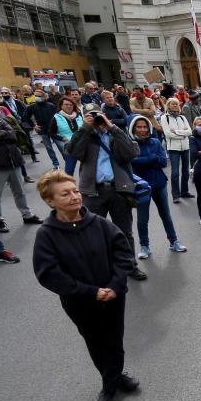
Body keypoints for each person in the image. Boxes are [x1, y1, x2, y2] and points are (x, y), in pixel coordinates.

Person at [32, 170, 138, 401]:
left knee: (114, 340)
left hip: (113, 297)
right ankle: (112, 382)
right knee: (96, 342)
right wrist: (91, 292)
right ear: (50, 201)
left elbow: (123, 254)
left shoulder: (100, 224)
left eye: (76, 191)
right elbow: (49, 274)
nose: (74, 197)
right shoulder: (46, 235)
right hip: (80, 303)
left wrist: (114, 285)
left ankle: (111, 382)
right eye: (65, 194)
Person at [65, 103, 146, 280]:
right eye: (90, 115)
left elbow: (131, 152)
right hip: (93, 192)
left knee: (125, 232)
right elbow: (73, 152)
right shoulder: (85, 136)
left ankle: (129, 265)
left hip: (119, 190)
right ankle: (101, 269)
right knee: (93, 233)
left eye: (98, 115)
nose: (96, 119)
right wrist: (85, 129)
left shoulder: (114, 134)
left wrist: (112, 127)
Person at [129, 116, 186, 258]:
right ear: (133, 128)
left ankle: (174, 242)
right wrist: (151, 158)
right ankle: (144, 246)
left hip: (159, 184)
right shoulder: (130, 144)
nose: (142, 129)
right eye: (139, 127)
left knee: (166, 216)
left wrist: (146, 160)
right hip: (141, 188)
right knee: (143, 219)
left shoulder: (155, 141)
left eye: (144, 126)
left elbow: (163, 162)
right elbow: (132, 162)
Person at [0, 92, 43, 233]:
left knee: (19, 191)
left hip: (13, 160)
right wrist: (2, 134)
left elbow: (13, 135)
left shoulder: (0, 120)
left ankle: (27, 215)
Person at [160, 98, 193, 204]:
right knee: (175, 173)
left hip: (185, 147)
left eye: (176, 104)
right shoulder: (165, 118)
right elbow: (168, 134)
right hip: (173, 148)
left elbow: (189, 131)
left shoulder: (182, 117)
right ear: (168, 105)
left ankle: (185, 191)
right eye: (172, 104)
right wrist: (182, 134)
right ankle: (175, 195)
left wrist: (177, 132)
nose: (175, 105)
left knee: (185, 171)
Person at [48, 96, 83, 175]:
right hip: (69, 146)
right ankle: (68, 186)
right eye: (66, 104)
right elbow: (51, 132)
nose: (69, 106)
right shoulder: (56, 117)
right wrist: (62, 138)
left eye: (71, 105)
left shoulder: (78, 115)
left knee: (87, 167)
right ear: (61, 106)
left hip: (82, 144)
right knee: (69, 170)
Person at [23, 91, 59, 169]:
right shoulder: (32, 107)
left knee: (61, 146)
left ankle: (67, 160)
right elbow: (25, 117)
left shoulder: (51, 105)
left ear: (44, 97)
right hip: (43, 130)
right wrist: (34, 126)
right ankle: (56, 164)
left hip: (54, 129)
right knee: (49, 148)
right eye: (35, 95)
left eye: (39, 96)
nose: (36, 97)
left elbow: (58, 116)